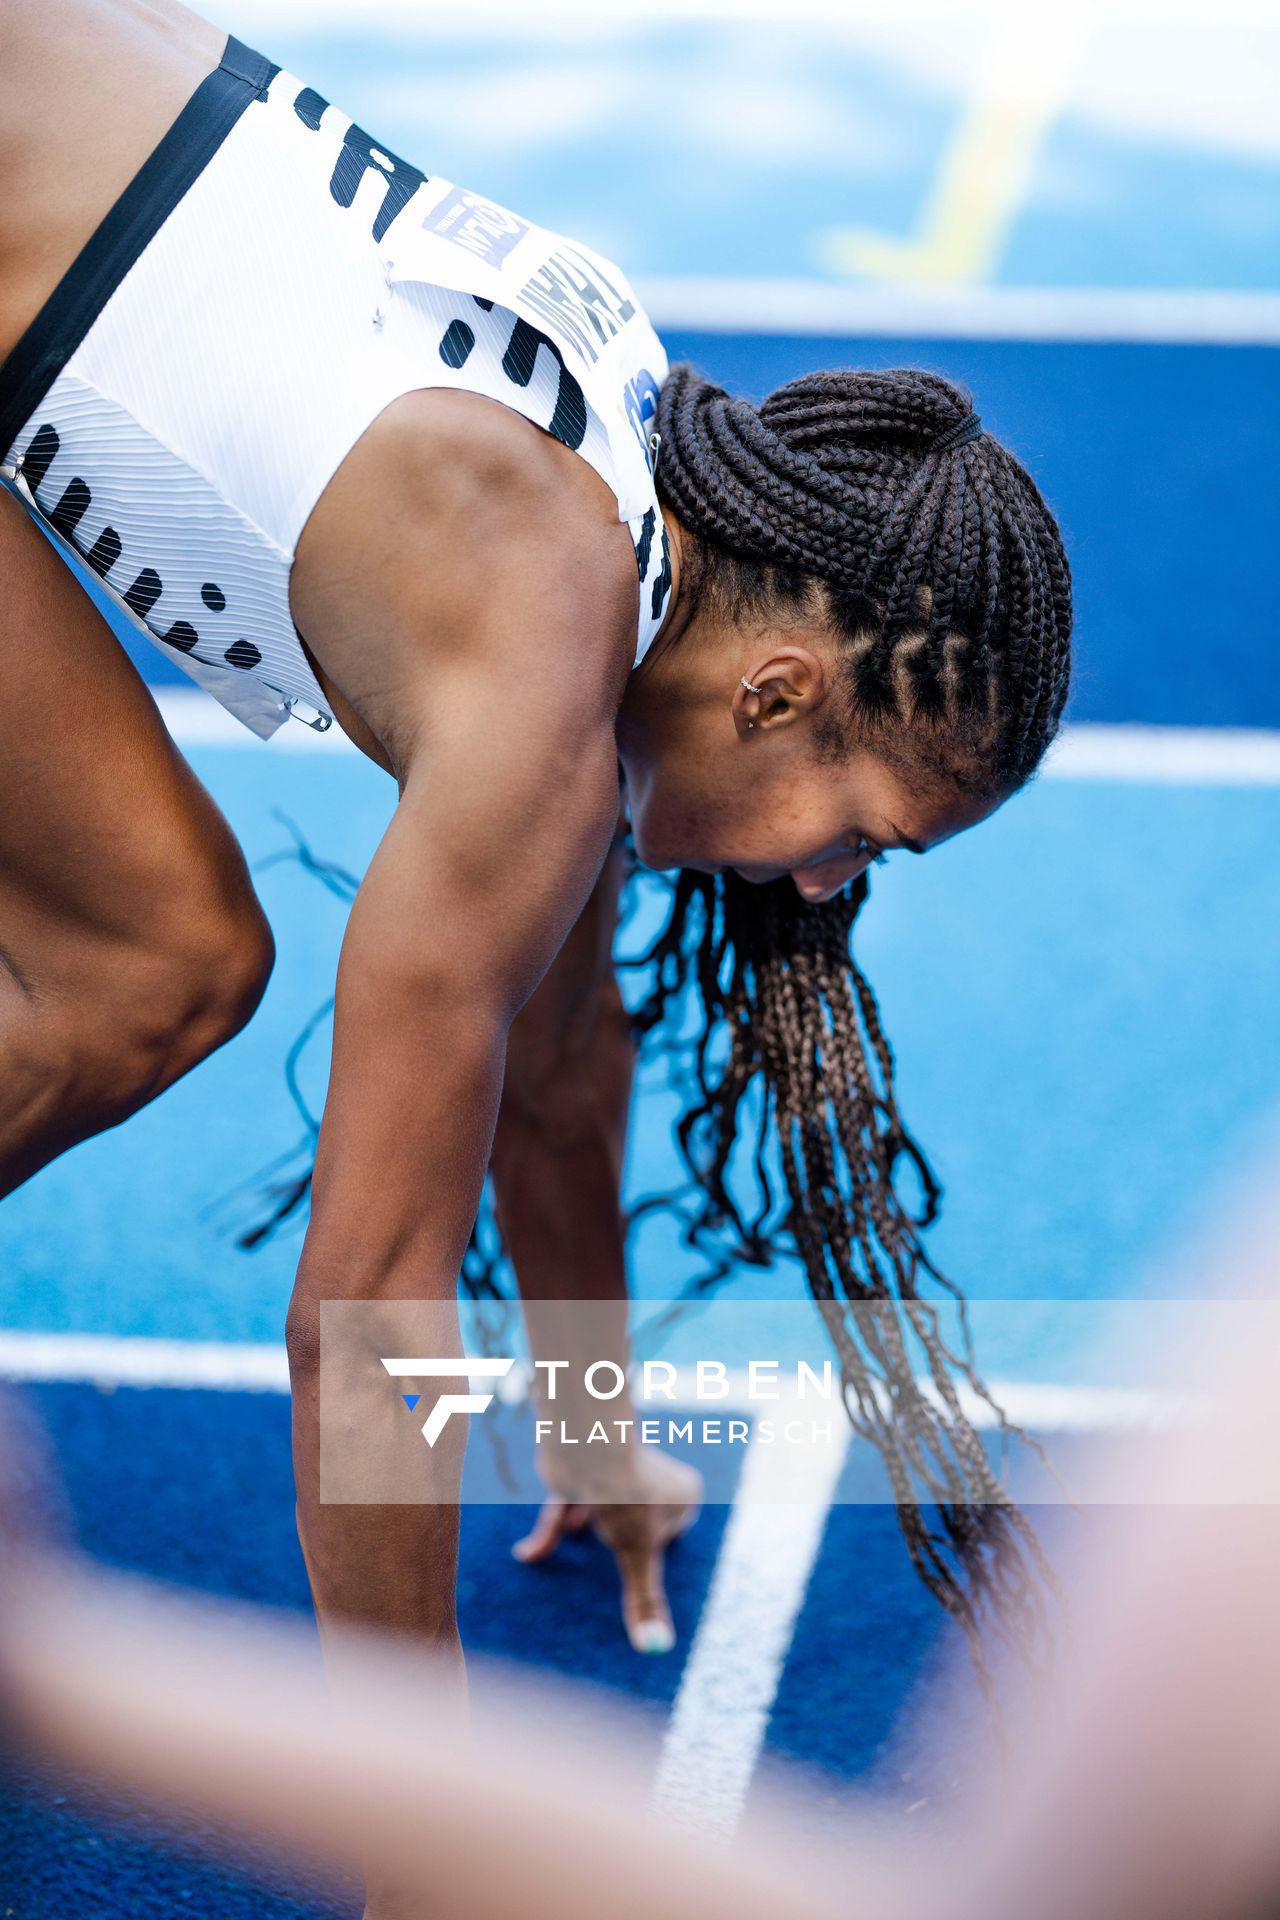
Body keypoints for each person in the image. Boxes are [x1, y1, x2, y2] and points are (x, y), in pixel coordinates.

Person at [0, 0, 1072, 1732]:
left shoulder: (644, 527)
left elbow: (563, 1075)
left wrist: (593, 1419)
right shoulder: (543, 652)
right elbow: (365, 1318)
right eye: (861, 834)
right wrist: (418, 1843)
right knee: (149, 972)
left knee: (167, 956)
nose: (823, 890)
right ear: (779, 692)